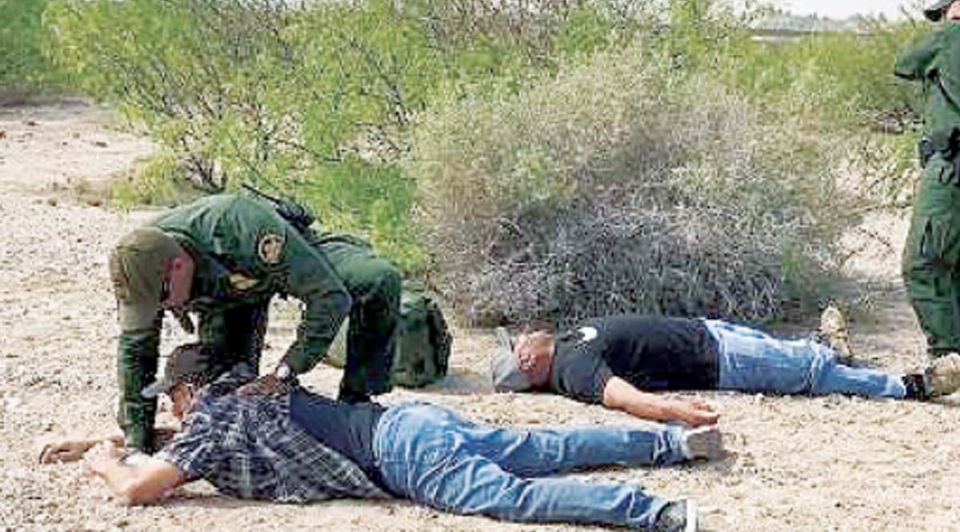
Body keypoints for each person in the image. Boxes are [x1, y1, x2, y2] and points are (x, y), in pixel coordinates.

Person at [40, 344, 725, 532]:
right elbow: (184, 446)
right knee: (542, 448)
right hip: (410, 421)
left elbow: (140, 489)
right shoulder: (248, 400)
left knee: (516, 499)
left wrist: (104, 460)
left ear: (193, 392)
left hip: (400, 458)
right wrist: (109, 437)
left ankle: (652, 512)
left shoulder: (212, 423)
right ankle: (669, 446)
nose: (178, 412)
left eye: (176, 399)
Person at [109, 193, 402, 452]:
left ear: (179, 265)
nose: (164, 309)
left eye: (165, 298)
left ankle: (357, 402)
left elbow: (328, 296)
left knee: (377, 279)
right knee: (228, 401)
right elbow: (135, 352)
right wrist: (138, 438)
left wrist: (287, 369)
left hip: (283, 258)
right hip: (229, 298)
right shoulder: (139, 267)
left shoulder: (240, 227)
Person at [491, 311, 960, 426]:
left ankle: (830, 348)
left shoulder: (569, 340)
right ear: (528, 360)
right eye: (517, 344)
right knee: (809, 375)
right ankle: (911, 386)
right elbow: (619, 395)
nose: (521, 334)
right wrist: (674, 412)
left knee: (796, 356)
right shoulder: (572, 370)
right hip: (718, 361)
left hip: (708, 333)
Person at [896, 0, 960, 358]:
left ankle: (948, 354)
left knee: (923, 263)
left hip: (951, 166)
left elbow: (905, 64)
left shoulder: (948, 36)